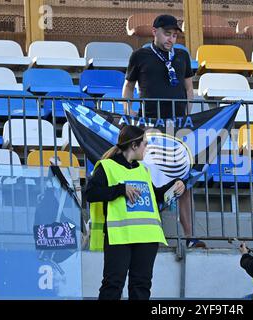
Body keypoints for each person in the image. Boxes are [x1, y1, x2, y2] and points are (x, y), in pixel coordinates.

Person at [123, 14, 205, 248]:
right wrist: (129, 114)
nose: (171, 39)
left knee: (184, 180)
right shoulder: (140, 55)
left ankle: (190, 237)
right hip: (151, 127)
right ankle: (150, 235)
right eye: (167, 34)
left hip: (178, 127)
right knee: (150, 179)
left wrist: (186, 116)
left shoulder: (181, 55)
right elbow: (128, 87)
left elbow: (189, 88)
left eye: (175, 35)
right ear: (155, 32)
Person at [85, 125, 186, 300]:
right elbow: (91, 194)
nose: (146, 148)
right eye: (144, 144)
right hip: (120, 235)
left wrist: (175, 185)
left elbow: (155, 195)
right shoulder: (107, 167)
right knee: (113, 284)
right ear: (134, 146)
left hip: (147, 236)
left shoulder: (143, 169)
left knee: (142, 285)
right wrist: (120, 189)